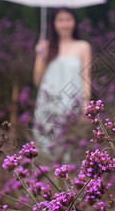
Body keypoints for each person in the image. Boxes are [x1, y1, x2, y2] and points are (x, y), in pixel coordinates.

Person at [32, 8, 92, 157]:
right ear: (54, 23)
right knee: (47, 149)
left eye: (68, 19)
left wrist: (86, 106)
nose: (65, 24)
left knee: (72, 148)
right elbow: (37, 81)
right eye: (60, 20)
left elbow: (86, 78)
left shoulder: (83, 47)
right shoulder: (47, 47)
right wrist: (39, 56)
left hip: (72, 105)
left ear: (74, 22)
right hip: (48, 106)